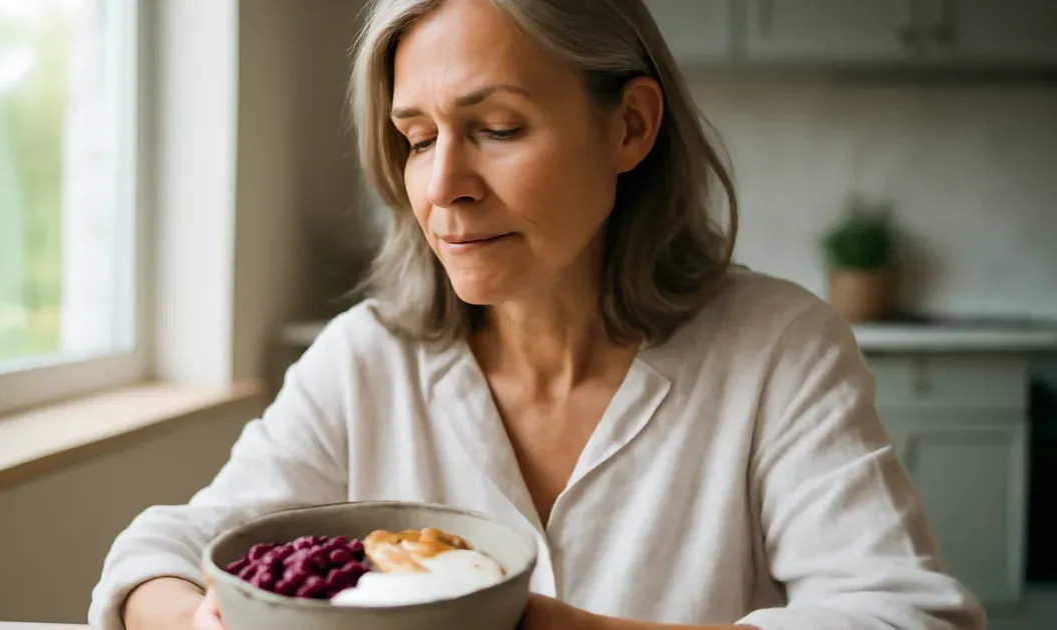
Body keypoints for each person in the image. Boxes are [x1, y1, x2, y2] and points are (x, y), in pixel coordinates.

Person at [89, 1, 987, 629]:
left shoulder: (780, 348)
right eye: (417, 138)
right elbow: (160, 554)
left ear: (630, 127)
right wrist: (207, 620)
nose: (442, 189)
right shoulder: (365, 360)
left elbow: (907, 615)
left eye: (499, 127)